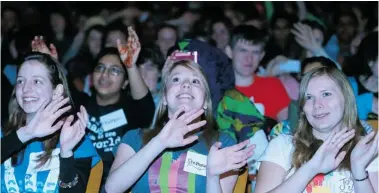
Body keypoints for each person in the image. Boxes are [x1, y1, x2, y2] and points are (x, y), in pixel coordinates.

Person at [105, 59, 255, 193]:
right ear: (163, 98)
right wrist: (159, 142)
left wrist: (212, 177)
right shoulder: (135, 137)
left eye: (195, 81)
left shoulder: (223, 143)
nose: (186, 84)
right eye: (176, 79)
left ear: (205, 102)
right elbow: (112, 189)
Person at [255, 66, 378, 193]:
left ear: (346, 99)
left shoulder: (366, 150)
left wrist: (359, 172)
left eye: (326, 94)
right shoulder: (283, 146)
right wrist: (311, 168)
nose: (317, 104)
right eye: (309, 97)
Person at [1, 47, 100, 193]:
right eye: (20, 81)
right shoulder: (4, 134)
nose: (26, 89)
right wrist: (26, 133)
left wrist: (66, 153)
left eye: (37, 81)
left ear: (57, 91)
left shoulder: (74, 138)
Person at [83, 27, 155, 187]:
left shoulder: (131, 110)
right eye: (100, 68)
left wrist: (130, 66)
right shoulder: (80, 105)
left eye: (114, 71)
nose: (104, 75)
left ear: (125, 82)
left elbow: (147, 108)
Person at [231, 25, 291, 122]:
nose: (249, 58)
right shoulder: (216, 89)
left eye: (255, 52)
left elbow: (288, 129)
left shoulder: (273, 85)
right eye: (243, 51)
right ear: (229, 52)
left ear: (261, 56)